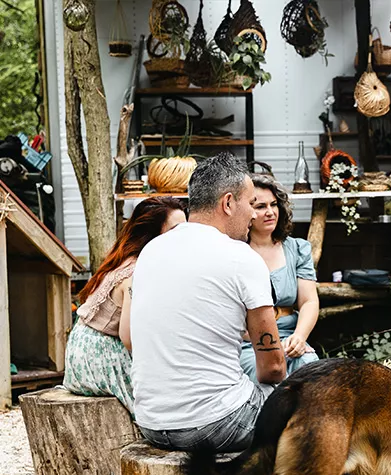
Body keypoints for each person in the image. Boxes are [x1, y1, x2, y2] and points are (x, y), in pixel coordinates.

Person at [130, 152, 286, 452]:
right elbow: (274, 368)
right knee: (306, 398)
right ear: (228, 203)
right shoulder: (242, 257)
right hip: (219, 424)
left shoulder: (151, 250)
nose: (254, 215)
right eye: (251, 204)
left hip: (151, 422)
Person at [63, 197, 186, 414]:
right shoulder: (137, 270)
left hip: (82, 349)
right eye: (176, 231)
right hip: (99, 355)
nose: (185, 237)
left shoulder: (129, 259)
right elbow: (129, 337)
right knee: (165, 400)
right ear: (153, 235)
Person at [240, 175, 319, 380]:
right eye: (260, 206)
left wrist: (299, 338)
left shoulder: (297, 249)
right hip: (249, 341)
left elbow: (309, 301)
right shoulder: (235, 252)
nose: (269, 212)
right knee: (268, 375)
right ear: (245, 211)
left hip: (289, 336)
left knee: (312, 372)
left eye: (274, 204)